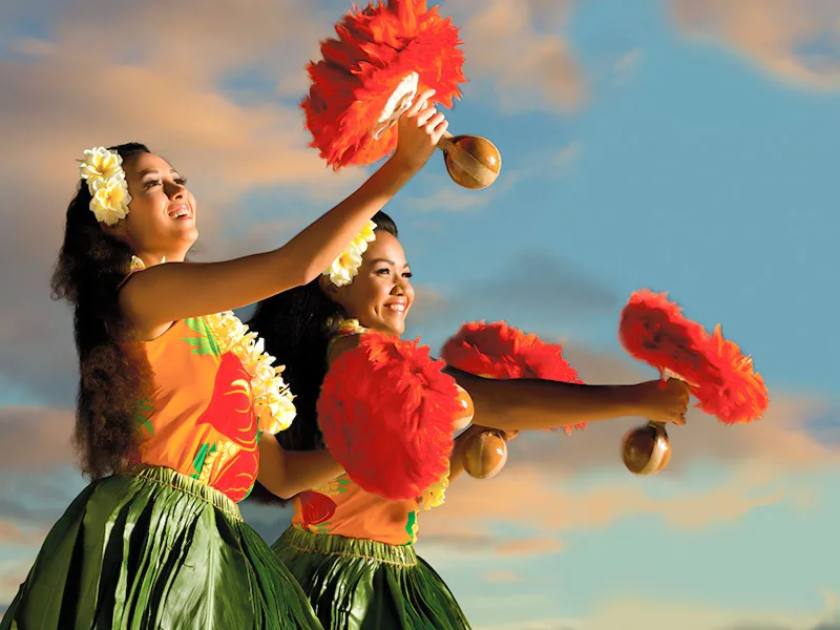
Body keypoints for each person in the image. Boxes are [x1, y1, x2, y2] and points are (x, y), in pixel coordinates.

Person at [1, 91, 449, 629]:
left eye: (177, 178)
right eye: (152, 184)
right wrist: (399, 167)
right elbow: (295, 265)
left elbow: (280, 477)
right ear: (114, 221)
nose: (176, 188)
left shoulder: (221, 338)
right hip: (160, 536)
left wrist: (378, 451)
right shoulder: (141, 295)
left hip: (217, 537)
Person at [248, 211, 690, 629]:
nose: (401, 287)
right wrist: (637, 398)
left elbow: (404, 499)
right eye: (383, 272)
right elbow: (494, 401)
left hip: (356, 564)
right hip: (348, 586)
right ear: (335, 281)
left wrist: (467, 449)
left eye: (406, 274)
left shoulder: (344, 355)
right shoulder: (362, 353)